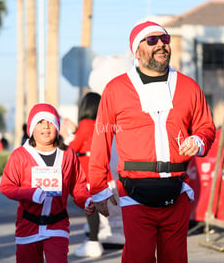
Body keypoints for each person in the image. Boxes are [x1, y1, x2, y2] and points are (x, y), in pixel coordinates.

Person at [87, 21, 216, 263]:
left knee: (175, 258)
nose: (161, 45)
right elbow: (101, 138)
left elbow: (206, 126)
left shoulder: (188, 86)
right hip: (133, 191)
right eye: (152, 40)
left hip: (177, 190)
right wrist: (98, 190)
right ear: (136, 50)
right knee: (139, 257)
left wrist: (198, 140)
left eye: (165, 40)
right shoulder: (116, 89)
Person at [0, 103, 95, 263]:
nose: (46, 127)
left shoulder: (67, 153)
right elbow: (6, 186)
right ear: (31, 128)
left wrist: (85, 200)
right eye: (40, 122)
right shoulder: (20, 155)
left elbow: (78, 185)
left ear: (57, 126)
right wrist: (31, 193)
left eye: (50, 122)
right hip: (28, 226)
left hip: (57, 226)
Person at [61, 92, 105, 258]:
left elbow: (74, 146)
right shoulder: (101, 124)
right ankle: (94, 240)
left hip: (87, 172)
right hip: (101, 170)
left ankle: (93, 243)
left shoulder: (86, 123)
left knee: (90, 207)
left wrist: (64, 140)